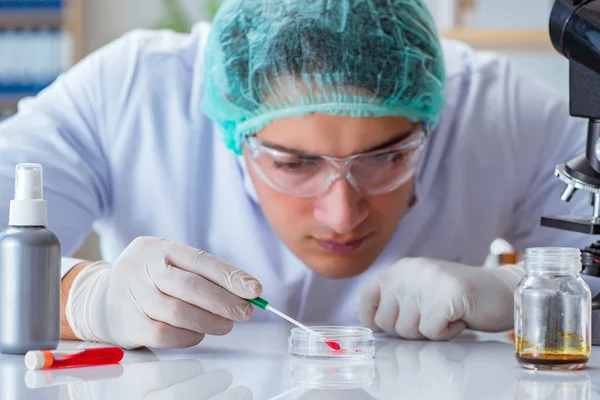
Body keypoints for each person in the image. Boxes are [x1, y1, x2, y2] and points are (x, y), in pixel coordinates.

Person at [0, 0, 591, 350]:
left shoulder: (499, 108)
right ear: (233, 134)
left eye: (387, 157)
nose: (342, 215)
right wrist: (81, 298)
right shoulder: (127, 92)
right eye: (292, 162)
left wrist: (529, 297)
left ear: (433, 119)